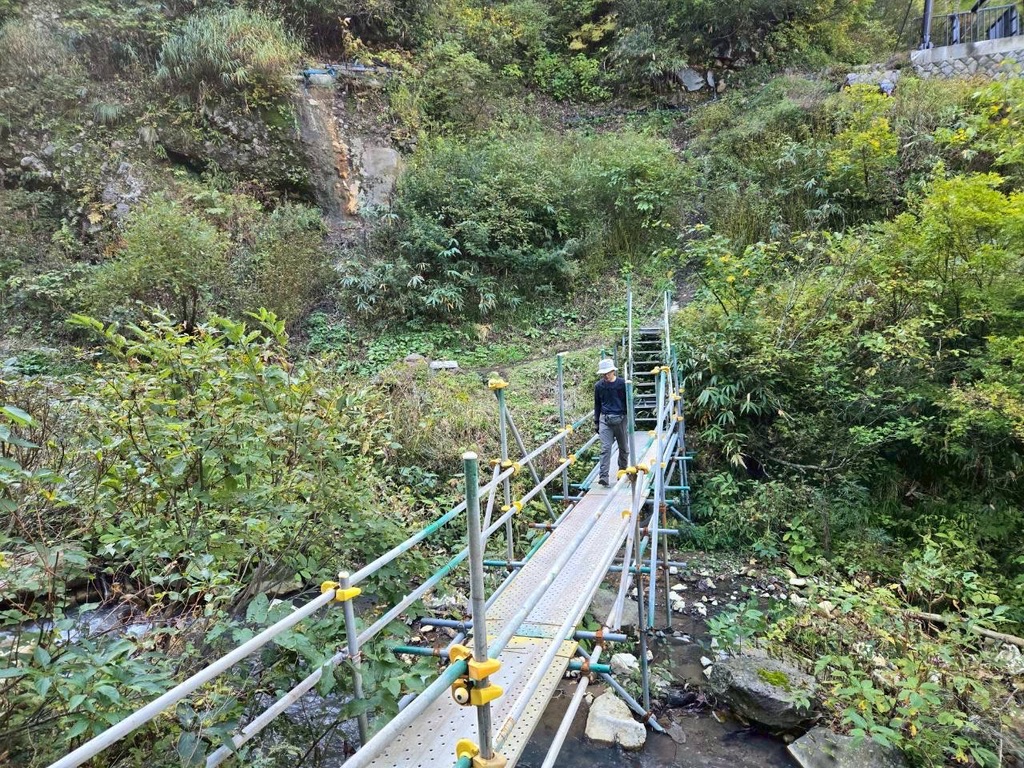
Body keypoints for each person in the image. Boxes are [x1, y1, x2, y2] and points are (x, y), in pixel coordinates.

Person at [594, 358, 629, 487]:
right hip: (605, 419)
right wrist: (597, 422)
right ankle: (603, 476)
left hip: (621, 418)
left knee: (624, 448)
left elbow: (628, 402)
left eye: (608, 372)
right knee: (605, 448)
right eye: (604, 373)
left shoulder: (622, 384)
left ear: (613, 371)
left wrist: (630, 420)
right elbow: (597, 404)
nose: (606, 375)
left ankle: (622, 472)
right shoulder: (599, 386)